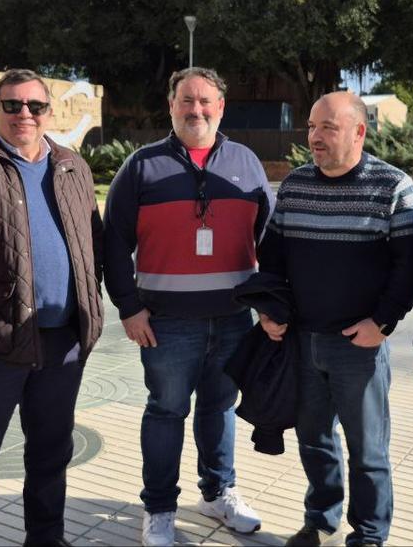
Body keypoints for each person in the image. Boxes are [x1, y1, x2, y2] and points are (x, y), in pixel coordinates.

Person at [103, 67, 274, 546]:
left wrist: (268, 303)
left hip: (234, 319)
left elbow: (270, 238)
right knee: (166, 411)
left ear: (221, 107)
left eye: (205, 102)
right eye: (186, 101)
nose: (195, 109)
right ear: (171, 105)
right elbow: (113, 243)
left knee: (220, 407)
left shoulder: (247, 161)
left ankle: (218, 493)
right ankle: (159, 508)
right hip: (165, 323)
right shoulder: (141, 165)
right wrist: (128, 308)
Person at [0, 68, 104, 546]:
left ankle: (46, 539)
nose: (24, 114)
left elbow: (91, 243)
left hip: (62, 342)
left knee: (52, 453)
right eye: (12, 105)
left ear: (49, 112)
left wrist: (90, 313)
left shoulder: (73, 166)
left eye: (34, 106)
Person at [258, 91, 413, 547]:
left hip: (359, 347)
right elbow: (270, 258)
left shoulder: (392, 186)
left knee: (368, 451)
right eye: (312, 127)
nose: (315, 137)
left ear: (358, 132)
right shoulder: (294, 185)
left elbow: (409, 266)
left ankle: (369, 534)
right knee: (314, 440)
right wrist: (269, 311)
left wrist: (384, 323)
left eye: (328, 128)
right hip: (303, 340)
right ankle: (321, 520)